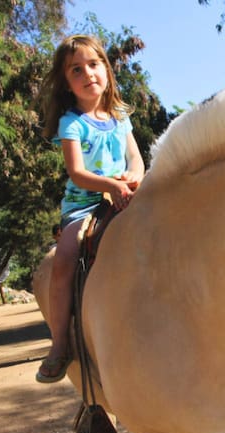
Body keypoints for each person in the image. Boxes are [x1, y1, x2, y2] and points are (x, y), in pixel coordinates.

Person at [35, 34, 145, 383]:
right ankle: (59, 343)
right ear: (67, 83)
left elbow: (137, 160)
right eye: (76, 70)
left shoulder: (120, 115)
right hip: (85, 205)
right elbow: (77, 173)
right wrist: (110, 185)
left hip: (126, 194)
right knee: (65, 260)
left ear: (107, 70)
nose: (88, 74)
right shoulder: (72, 123)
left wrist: (132, 178)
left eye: (94, 65)